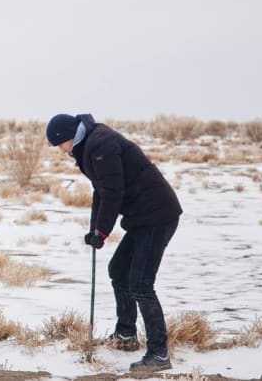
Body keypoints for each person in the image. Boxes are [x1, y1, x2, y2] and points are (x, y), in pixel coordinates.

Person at [45, 113, 182, 372]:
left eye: (60, 145)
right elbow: (101, 190)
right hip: (143, 216)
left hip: (158, 215)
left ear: (69, 137)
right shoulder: (89, 146)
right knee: (118, 271)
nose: (61, 151)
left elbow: (113, 192)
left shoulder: (100, 144)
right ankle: (126, 334)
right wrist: (95, 229)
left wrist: (103, 232)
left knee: (141, 284)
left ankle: (159, 354)